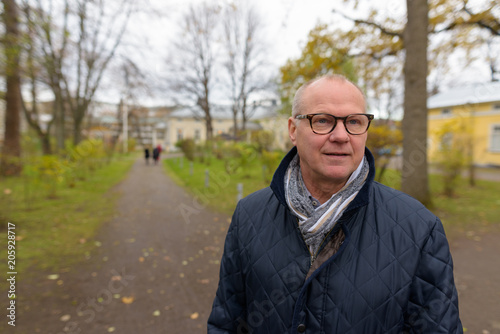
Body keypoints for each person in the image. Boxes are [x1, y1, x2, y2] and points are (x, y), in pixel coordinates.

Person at [207, 74, 462, 333]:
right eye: (322, 121)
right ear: (293, 130)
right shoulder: (249, 215)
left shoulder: (419, 229)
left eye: (353, 121)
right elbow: (227, 322)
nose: (341, 135)